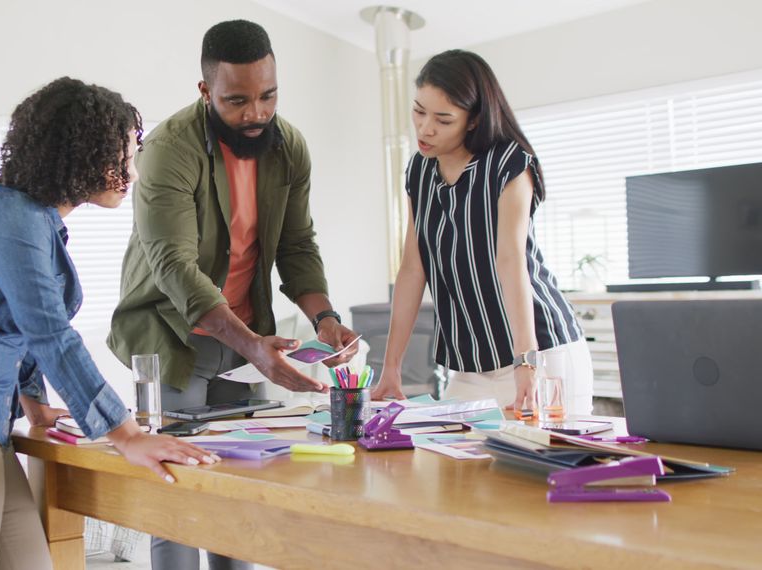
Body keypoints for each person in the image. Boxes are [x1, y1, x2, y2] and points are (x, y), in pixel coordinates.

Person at [0, 77, 216, 570]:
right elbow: (49, 333)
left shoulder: (31, 217)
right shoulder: (10, 217)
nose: (132, 171)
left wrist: (35, 405)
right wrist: (128, 436)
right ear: (83, 152)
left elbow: (15, 328)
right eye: (124, 154)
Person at [108, 20, 357, 570]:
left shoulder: (287, 146)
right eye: (237, 100)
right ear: (206, 92)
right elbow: (173, 265)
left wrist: (325, 319)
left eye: (268, 96)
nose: (256, 114)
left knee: (240, 492)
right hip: (173, 337)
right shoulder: (170, 149)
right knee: (178, 495)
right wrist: (253, 348)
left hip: (246, 336)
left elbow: (297, 243)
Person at [370, 49, 593, 417]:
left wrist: (527, 364)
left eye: (443, 119)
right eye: (419, 110)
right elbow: (413, 267)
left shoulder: (509, 163)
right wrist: (391, 367)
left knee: (546, 469)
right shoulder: (420, 171)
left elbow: (510, 260)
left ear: (472, 121)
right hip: (470, 365)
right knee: (457, 471)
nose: (425, 128)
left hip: (542, 354)